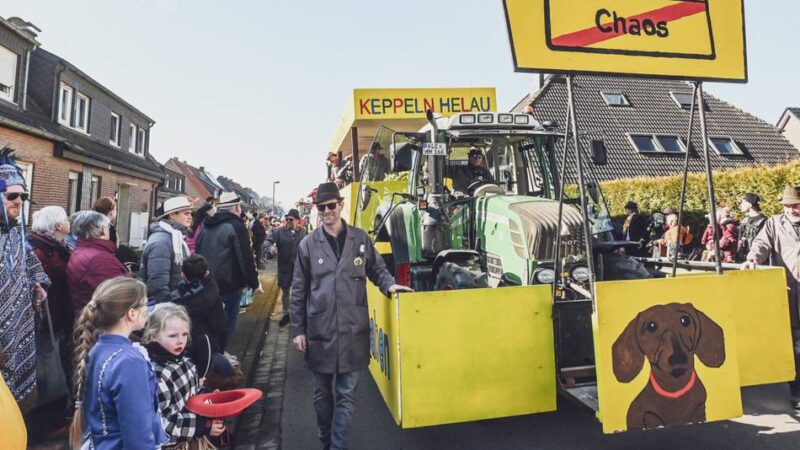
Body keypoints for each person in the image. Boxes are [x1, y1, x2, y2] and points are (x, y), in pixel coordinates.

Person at [290, 182, 413, 450]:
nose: (327, 211)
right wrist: (298, 329)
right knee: (323, 397)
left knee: (346, 397)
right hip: (319, 333)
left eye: (331, 206)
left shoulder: (360, 239)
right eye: (321, 207)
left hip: (352, 332)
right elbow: (298, 289)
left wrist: (389, 285)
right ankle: (326, 440)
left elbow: (377, 270)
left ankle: (337, 447)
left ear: (341, 205)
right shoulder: (308, 245)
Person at [69, 277, 168, 450]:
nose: (147, 310)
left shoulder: (98, 348)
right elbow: (138, 436)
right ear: (131, 313)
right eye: (144, 304)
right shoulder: (129, 363)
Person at [0, 148, 50, 407]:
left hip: (18, 330)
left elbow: (31, 268)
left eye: (23, 196)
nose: (19, 201)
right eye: (11, 195)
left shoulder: (17, 235)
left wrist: (37, 285)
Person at [742, 186, 800, 409]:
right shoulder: (775, 223)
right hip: (789, 293)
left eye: (795, 205)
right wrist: (752, 259)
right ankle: (796, 390)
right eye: (787, 206)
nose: (790, 210)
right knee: (795, 346)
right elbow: (761, 244)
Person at [142, 303, 226, 448]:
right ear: (153, 335)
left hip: (192, 439)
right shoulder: (157, 374)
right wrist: (202, 427)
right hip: (174, 444)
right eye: (173, 335)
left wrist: (209, 396)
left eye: (184, 334)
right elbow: (163, 421)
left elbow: (191, 394)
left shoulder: (186, 361)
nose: (180, 340)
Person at [28, 207, 74, 444]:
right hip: (46, 322)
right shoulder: (41, 251)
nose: (69, 221)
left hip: (56, 319)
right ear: (57, 225)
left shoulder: (55, 247)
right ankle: (48, 427)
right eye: (65, 219)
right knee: (48, 373)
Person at [196, 192, 262, 351]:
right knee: (227, 325)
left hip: (207, 284)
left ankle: (214, 357)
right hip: (229, 284)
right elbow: (245, 257)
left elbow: (198, 252)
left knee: (212, 325)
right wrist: (253, 282)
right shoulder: (236, 227)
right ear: (237, 207)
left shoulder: (206, 226)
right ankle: (219, 358)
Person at [170, 254, 233, 378]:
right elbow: (220, 326)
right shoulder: (212, 293)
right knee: (230, 374)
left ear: (183, 274)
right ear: (206, 273)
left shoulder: (175, 297)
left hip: (182, 348)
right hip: (208, 346)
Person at [67, 211, 130, 316]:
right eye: (109, 226)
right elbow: (119, 298)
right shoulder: (99, 260)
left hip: (88, 317)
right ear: (104, 229)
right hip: (103, 323)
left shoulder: (82, 250)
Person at [141, 196, 194, 306]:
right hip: (167, 308)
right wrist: (168, 310)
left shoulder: (176, 237)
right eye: (186, 213)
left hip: (176, 301)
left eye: (190, 213)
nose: (190, 217)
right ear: (172, 215)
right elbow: (157, 284)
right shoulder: (161, 242)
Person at [271, 208, 307, 327]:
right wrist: (270, 248)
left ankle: (298, 316)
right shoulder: (279, 231)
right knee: (285, 293)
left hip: (299, 268)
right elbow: (268, 241)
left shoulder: (303, 232)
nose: (288, 221)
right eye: (287, 219)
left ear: (298, 220)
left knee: (299, 293)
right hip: (285, 267)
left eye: (291, 219)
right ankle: (286, 314)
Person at [736, 193, 767, 263]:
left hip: (757, 260)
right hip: (742, 259)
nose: (740, 205)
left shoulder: (764, 222)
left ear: (750, 204)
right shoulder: (744, 222)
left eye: (743, 202)